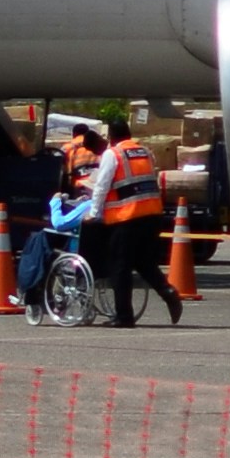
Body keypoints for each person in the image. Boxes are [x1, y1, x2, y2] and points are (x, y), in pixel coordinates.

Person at [85, 119, 179, 328]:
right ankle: (168, 292)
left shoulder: (113, 154)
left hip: (127, 217)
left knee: (120, 266)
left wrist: (94, 213)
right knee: (142, 261)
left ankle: (124, 317)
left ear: (110, 136)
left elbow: (101, 186)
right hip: (152, 215)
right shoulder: (144, 151)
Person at [17, 131, 99, 308]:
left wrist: (55, 202)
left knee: (40, 239)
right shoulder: (113, 206)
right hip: (102, 254)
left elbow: (59, 224)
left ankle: (31, 290)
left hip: (80, 250)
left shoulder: (89, 206)